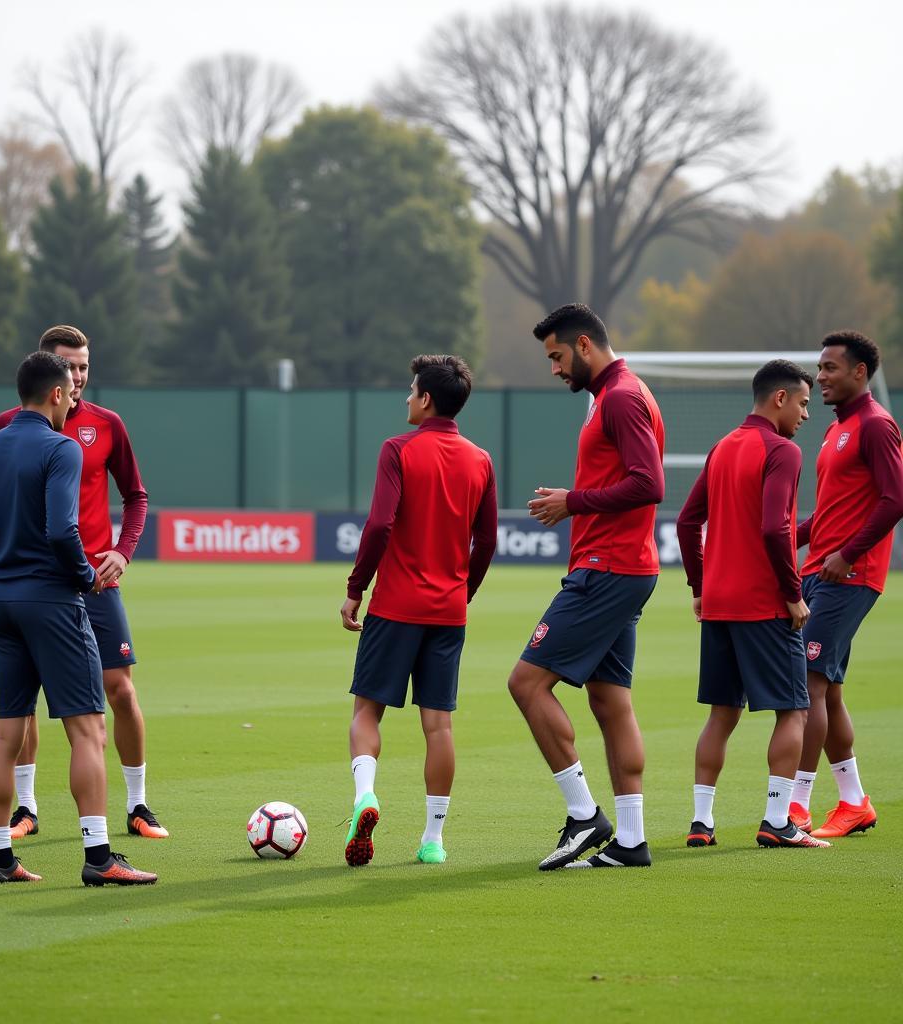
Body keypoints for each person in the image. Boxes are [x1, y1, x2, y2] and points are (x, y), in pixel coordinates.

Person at [0, 351, 157, 886]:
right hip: (53, 601)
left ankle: (1, 861)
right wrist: (86, 578)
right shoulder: (62, 447)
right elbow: (64, 531)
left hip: (1, 603)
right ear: (57, 394)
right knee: (88, 730)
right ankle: (99, 858)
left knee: (4, 734)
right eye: (71, 390)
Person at [0, 325, 166, 841]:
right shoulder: (11, 424)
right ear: (48, 370)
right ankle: (26, 808)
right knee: (22, 702)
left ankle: (137, 804)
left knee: (120, 689)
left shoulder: (107, 424)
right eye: (69, 367)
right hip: (36, 583)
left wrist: (123, 551)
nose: (79, 377)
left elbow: (136, 496)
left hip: (93, 582)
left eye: (85, 366)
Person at [510, 303, 664, 870]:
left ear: (583, 344)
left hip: (608, 566)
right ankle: (630, 841)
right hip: (623, 566)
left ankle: (583, 816)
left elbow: (649, 483)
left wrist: (571, 500)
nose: (553, 369)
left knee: (526, 684)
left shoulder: (621, 396)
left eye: (555, 356)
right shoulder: (617, 393)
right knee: (610, 701)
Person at [340, 355, 497, 866]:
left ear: (427, 399)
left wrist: (356, 587)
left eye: (410, 390)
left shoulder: (397, 449)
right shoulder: (480, 459)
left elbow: (380, 525)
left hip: (396, 606)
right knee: (439, 726)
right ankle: (433, 841)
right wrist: (461, 591)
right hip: (448, 612)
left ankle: (366, 796)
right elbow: (488, 540)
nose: (406, 398)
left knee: (367, 710)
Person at [677, 359, 829, 849]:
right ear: (779, 398)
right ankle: (778, 821)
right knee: (794, 711)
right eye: (804, 403)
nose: (808, 414)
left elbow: (685, 522)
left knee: (722, 713)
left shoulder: (723, 446)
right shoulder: (781, 450)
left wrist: (700, 588)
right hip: (764, 605)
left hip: (719, 603)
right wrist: (791, 594)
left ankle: (701, 823)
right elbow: (772, 527)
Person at [788, 331, 903, 838]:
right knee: (827, 690)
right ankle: (854, 802)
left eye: (832, 367)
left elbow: (896, 498)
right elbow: (832, 513)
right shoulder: (838, 430)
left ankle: (795, 807)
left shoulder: (876, 426)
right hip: (821, 570)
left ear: (861, 372)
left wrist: (848, 555)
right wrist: (786, 539)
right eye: (820, 367)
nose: (822, 376)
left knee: (808, 683)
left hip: (849, 575)